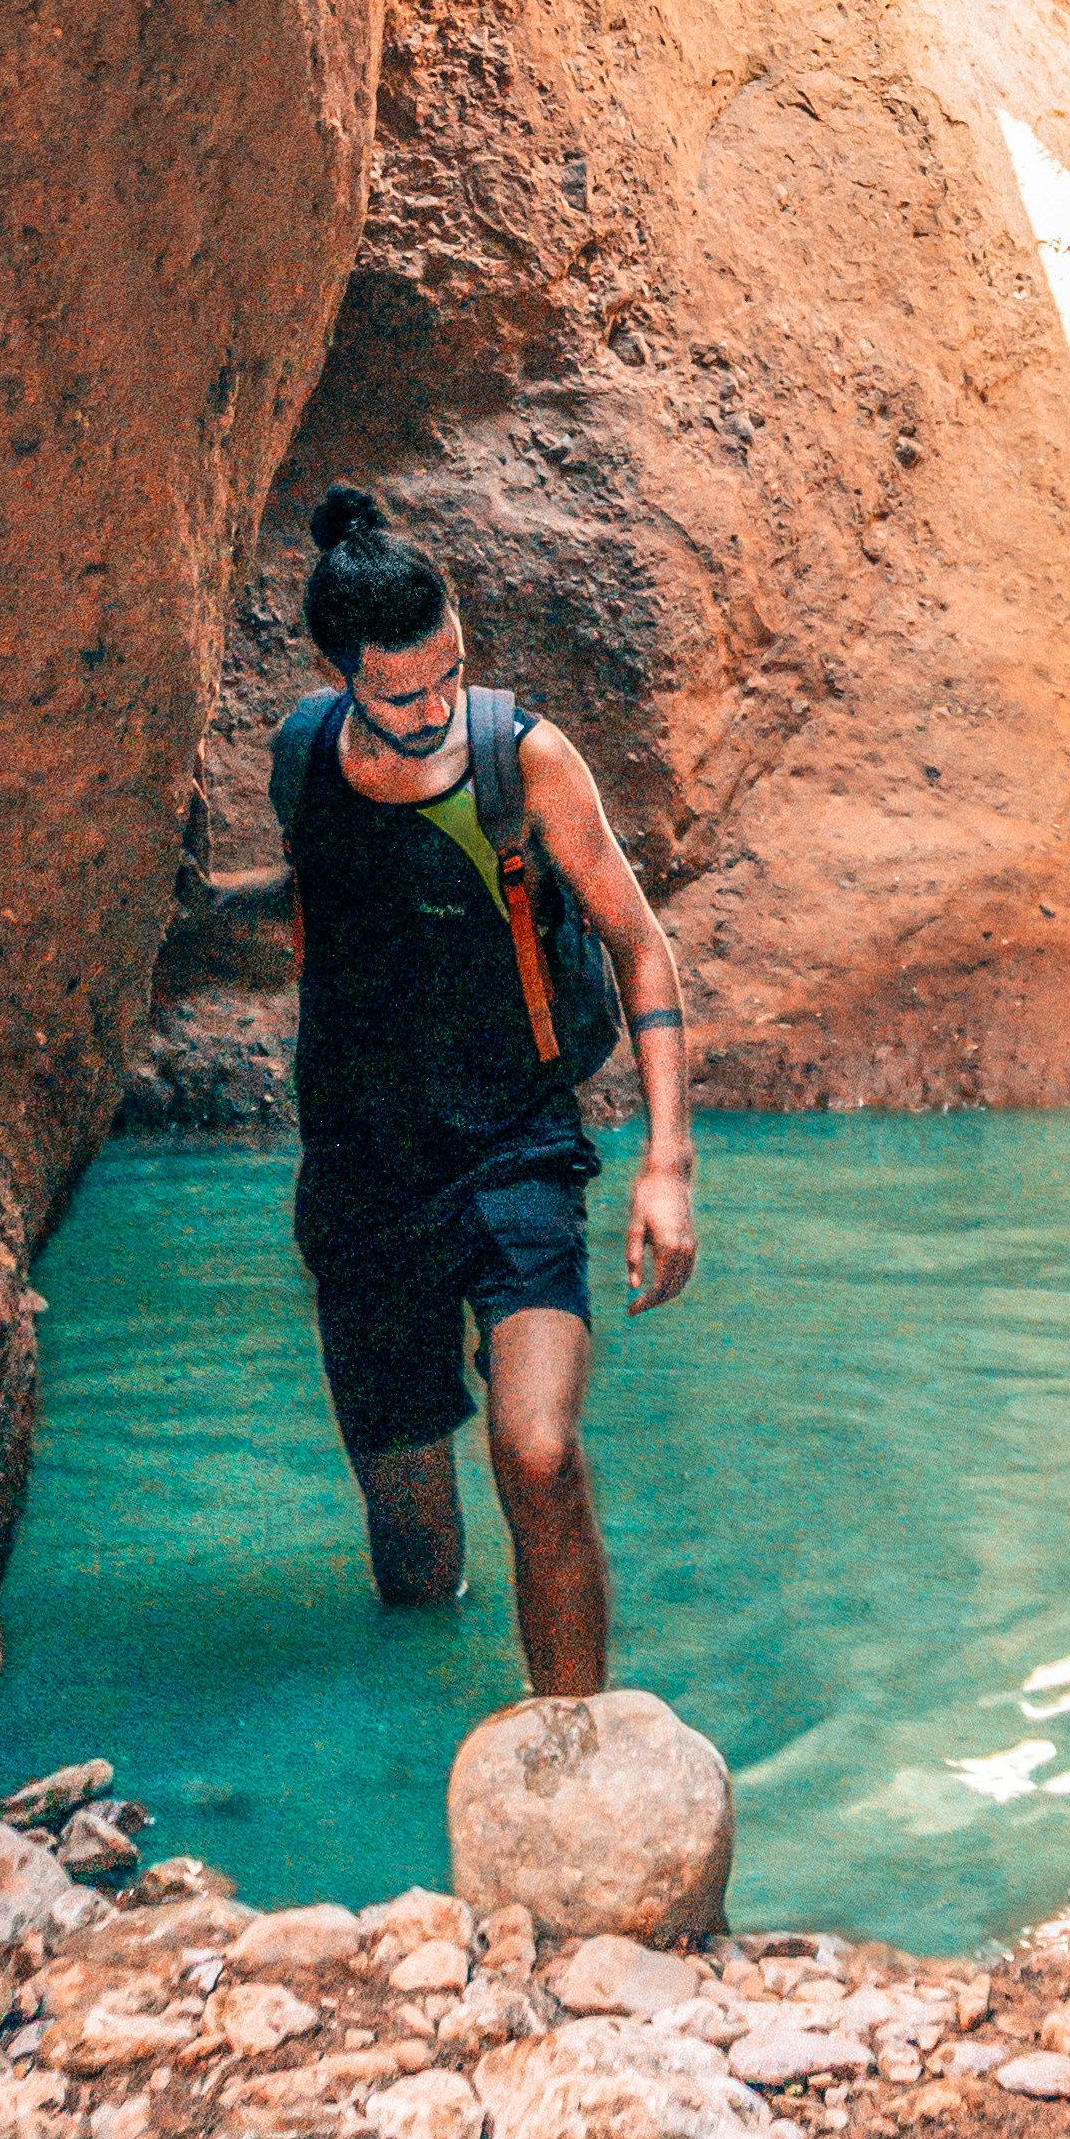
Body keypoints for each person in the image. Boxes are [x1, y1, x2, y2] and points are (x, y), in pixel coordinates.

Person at [271, 482, 697, 1690]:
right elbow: (332, 898)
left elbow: (639, 941)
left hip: (513, 1154)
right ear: (341, 675)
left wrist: (666, 1163)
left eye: (446, 674)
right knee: (414, 1563)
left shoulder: (524, 761)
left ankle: (581, 1752)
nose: (430, 707)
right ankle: (419, 1751)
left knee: (539, 1449)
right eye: (398, 690)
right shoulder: (302, 756)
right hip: (359, 1183)